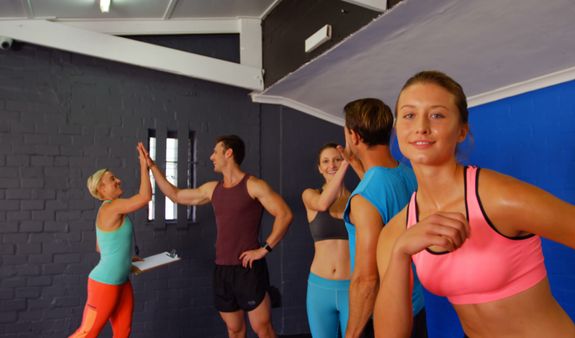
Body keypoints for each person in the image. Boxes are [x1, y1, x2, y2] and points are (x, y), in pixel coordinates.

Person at [374, 70, 575, 338]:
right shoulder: (396, 233)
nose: (421, 126)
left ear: (461, 131)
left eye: (437, 115)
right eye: (409, 115)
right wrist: (400, 252)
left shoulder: (500, 199)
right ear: (397, 129)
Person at [143, 135, 292, 338]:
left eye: (215, 151)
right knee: (234, 329)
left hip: (248, 270)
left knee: (263, 329)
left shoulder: (254, 185)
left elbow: (284, 214)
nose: (212, 156)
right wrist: (152, 166)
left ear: (228, 153)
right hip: (222, 269)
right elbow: (175, 195)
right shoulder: (213, 189)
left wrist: (264, 249)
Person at [340, 98, 427, 338]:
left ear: (354, 136)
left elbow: (367, 280)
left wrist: (352, 334)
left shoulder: (366, 196)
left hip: (383, 317)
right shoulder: (410, 175)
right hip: (415, 308)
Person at [70, 143, 152, 338]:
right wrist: (143, 164)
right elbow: (145, 197)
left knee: (123, 333)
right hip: (103, 284)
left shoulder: (110, 211)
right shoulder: (110, 208)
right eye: (112, 179)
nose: (118, 180)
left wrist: (126, 261)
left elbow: (101, 248)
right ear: (101, 187)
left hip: (122, 282)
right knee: (87, 333)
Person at [301, 143, 352, 338]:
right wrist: (345, 165)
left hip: (351, 288)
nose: (332, 165)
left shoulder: (358, 199)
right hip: (319, 288)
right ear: (320, 168)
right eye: (326, 161)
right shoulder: (310, 195)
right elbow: (323, 204)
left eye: (337, 159)